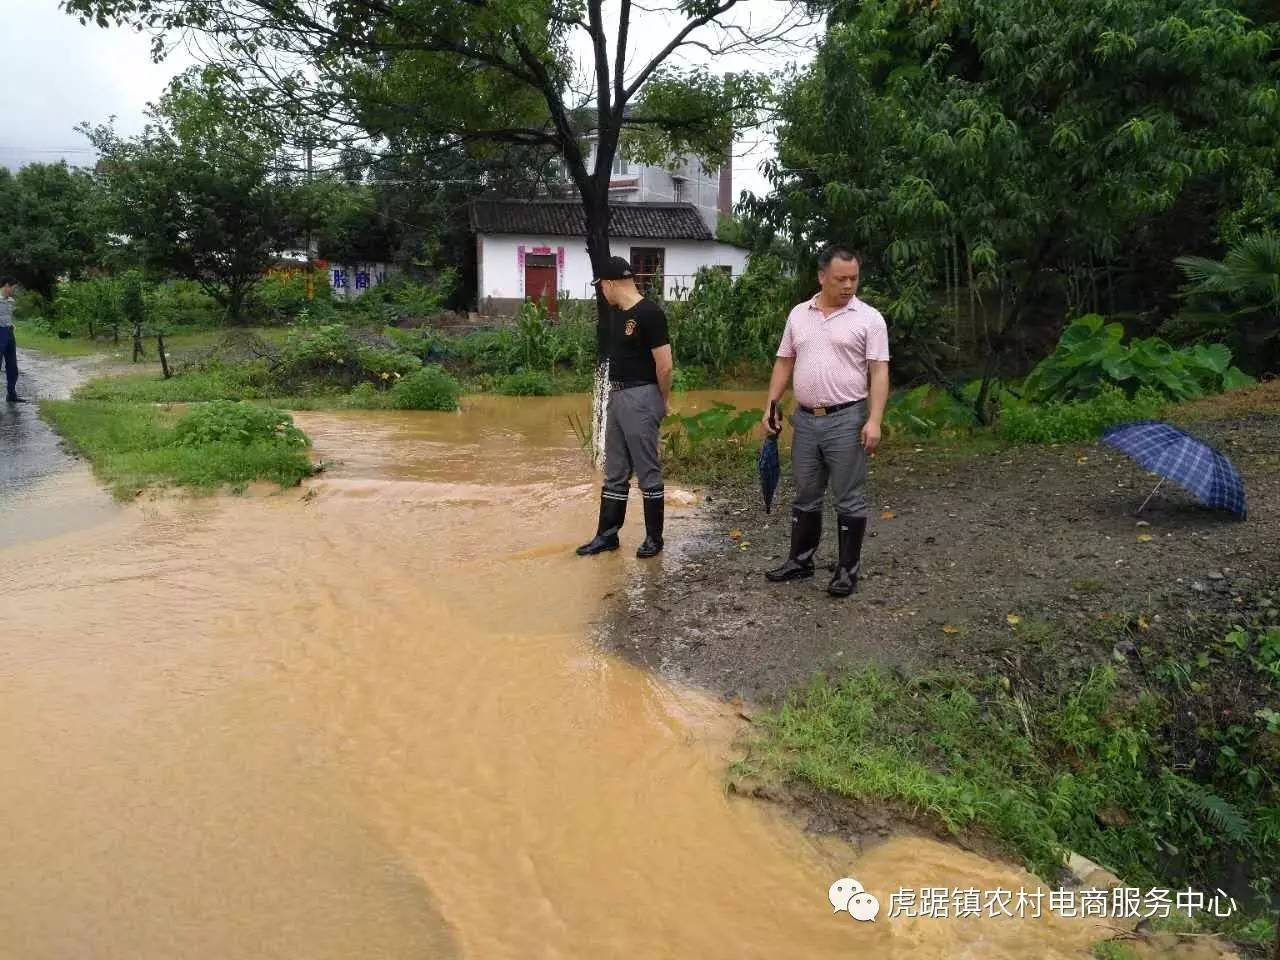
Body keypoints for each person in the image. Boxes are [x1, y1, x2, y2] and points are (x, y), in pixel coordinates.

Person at [761, 246, 890, 597]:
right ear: (822, 277)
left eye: (854, 278)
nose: (849, 285)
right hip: (805, 419)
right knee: (805, 492)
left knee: (848, 496)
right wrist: (771, 406)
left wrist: (874, 420)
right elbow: (784, 361)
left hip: (847, 418)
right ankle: (800, 561)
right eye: (841, 279)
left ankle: (847, 571)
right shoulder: (799, 315)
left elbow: (879, 371)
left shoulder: (869, 319)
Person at [576, 256, 674, 559]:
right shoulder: (617, 315)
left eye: (601, 287)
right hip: (617, 397)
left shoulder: (650, 313)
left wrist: (662, 400)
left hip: (642, 395)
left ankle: (653, 539)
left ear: (609, 283)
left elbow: (665, 365)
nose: (601, 293)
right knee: (615, 471)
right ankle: (607, 535)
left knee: (647, 470)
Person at [0, 282, 25, 403]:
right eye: (13, 288)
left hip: (9, 332)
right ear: (6, 285)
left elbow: (7, 316)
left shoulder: (11, 301)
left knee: (12, 366)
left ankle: (11, 395)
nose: (14, 291)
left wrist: (10, 324)